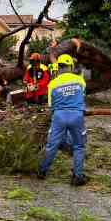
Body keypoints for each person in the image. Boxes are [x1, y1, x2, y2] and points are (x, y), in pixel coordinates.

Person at [37, 54, 87, 186]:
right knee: (79, 146)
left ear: (58, 67)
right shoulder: (80, 80)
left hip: (59, 116)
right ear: (71, 66)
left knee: (52, 145)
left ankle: (42, 171)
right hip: (77, 116)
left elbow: (50, 105)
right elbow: (83, 96)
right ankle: (77, 176)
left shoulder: (53, 84)